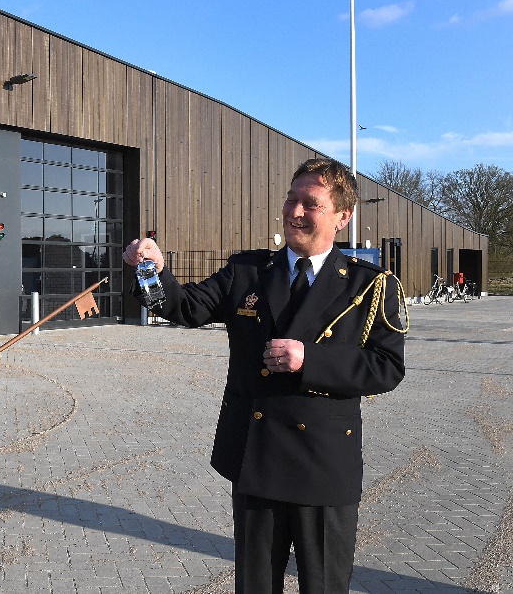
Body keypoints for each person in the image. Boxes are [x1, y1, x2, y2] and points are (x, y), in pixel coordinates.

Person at [124, 158, 407, 594]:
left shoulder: (369, 286)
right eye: (291, 199)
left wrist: (309, 361)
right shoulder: (248, 272)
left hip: (323, 464)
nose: (294, 211)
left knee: (324, 587)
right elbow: (182, 307)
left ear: (343, 216)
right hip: (256, 455)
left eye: (309, 203)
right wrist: (153, 271)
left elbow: (387, 367)